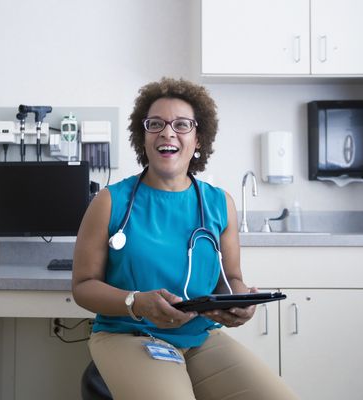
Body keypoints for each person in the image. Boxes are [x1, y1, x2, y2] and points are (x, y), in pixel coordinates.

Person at [72, 77, 297, 400]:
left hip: (200, 337)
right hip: (129, 334)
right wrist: (136, 302)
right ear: (143, 137)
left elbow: (229, 278)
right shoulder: (110, 202)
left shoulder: (220, 204)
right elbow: (83, 286)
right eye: (156, 124)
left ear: (199, 139)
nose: (167, 132)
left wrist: (238, 302)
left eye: (181, 124)